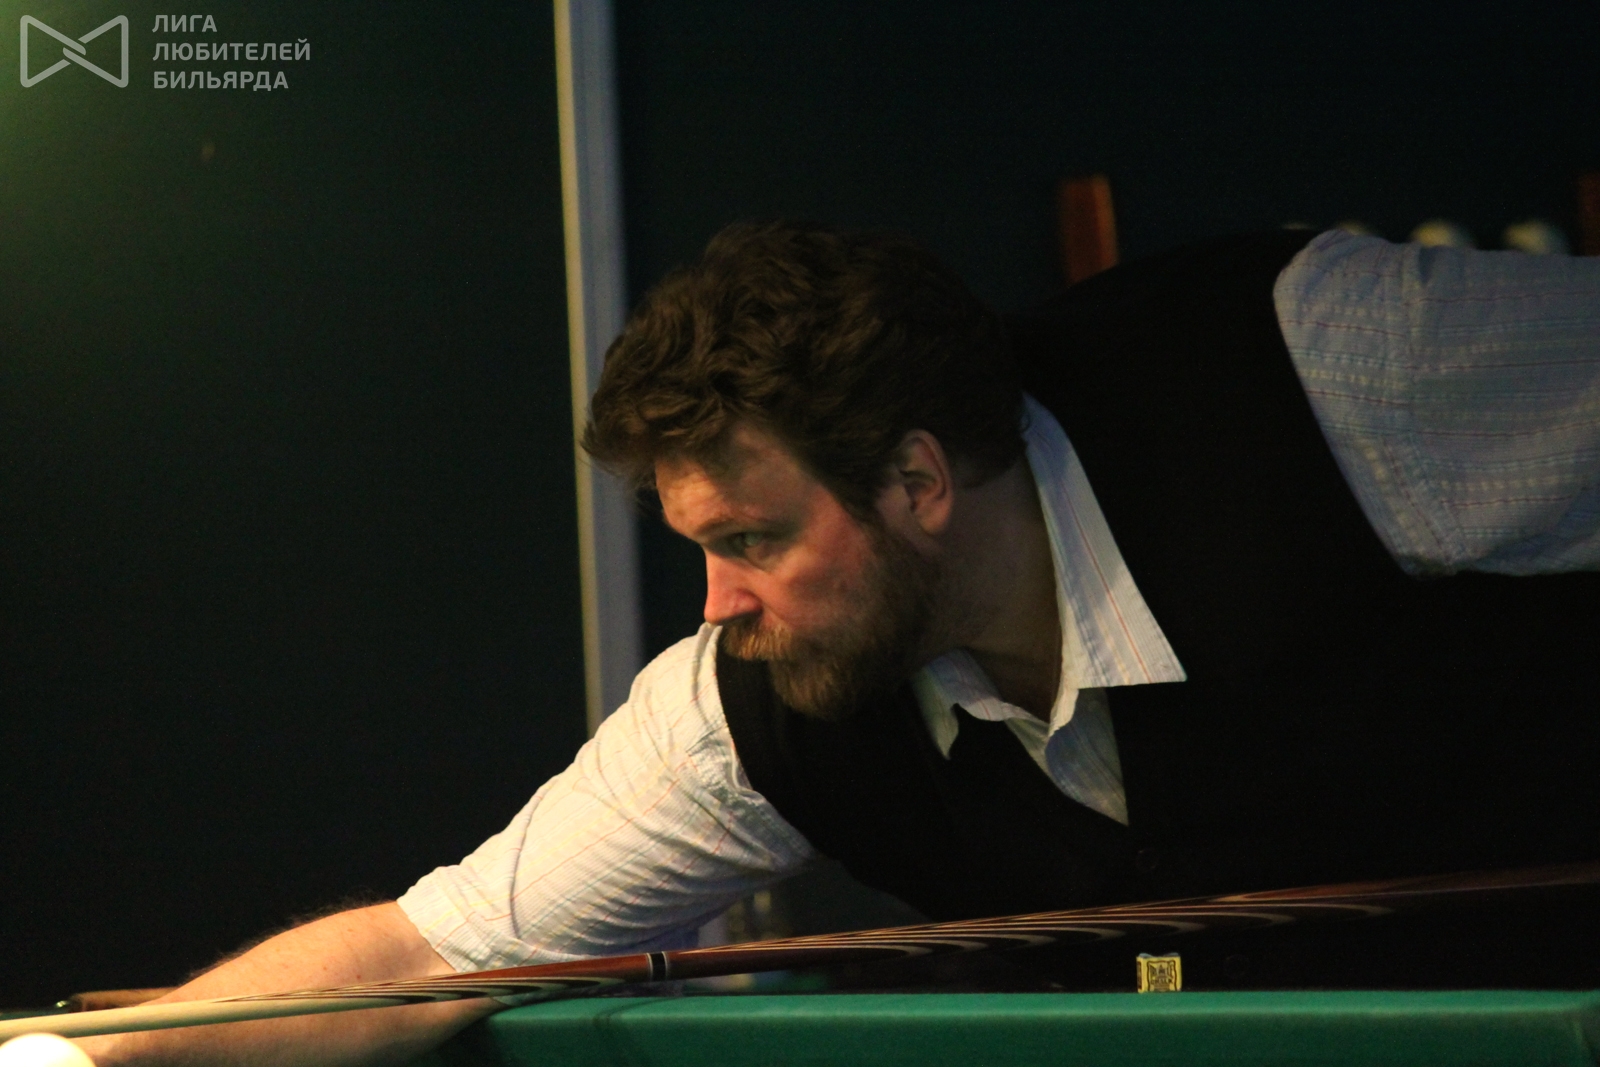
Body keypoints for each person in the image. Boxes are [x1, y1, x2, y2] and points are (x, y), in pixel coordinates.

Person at [79, 222, 1600, 1065]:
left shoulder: (1337, 372)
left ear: (919, 481)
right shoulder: (749, 710)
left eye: (752, 540)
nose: (715, 606)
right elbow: (422, 955)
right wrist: (78, 1064)